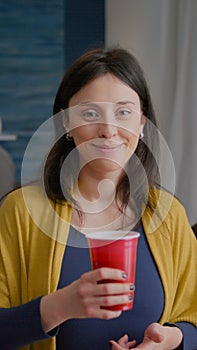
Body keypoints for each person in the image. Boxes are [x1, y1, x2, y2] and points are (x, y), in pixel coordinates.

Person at [0, 47, 196, 350]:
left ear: (141, 123)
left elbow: (193, 315)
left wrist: (173, 339)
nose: (108, 129)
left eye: (124, 112)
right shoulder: (21, 212)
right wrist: (58, 306)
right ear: (66, 123)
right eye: (90, 113)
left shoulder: (168, 215)